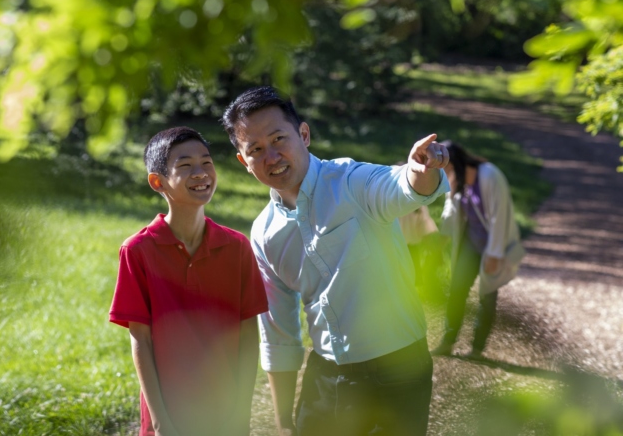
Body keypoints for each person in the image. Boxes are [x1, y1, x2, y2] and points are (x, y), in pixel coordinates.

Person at [221, 86, 450, 436]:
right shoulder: (265, 233)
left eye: (279, 138)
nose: (272, 156)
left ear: (304, 134)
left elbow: (403, 186)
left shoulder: (350, 181)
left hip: (401, 366)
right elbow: (279, 334)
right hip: (327, 374)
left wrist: (422, 167)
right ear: (243, 161)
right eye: (255, 149)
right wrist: (283, 423)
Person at [108, 126, 269, 436]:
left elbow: (249, 334)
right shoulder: (138, 251)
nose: (201, 173)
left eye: (206, 162)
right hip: (168, 416)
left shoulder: (237, 247)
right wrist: (159, 423)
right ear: (158, 182)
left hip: (225, 414)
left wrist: (241, 411)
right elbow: (140, 339)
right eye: (185, 166)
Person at [431, 140, 524, 359]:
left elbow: (500, 217)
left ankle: (477, 349)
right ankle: (448, 341)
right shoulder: (455, 180)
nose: (444, 174)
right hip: (471, 245)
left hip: (494, 246)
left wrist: (494, 254)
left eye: (446, 168)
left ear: (456, 162)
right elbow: (450, 213)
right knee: (457, 290)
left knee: (487, 296)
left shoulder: (490, 175)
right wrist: (441, 241)